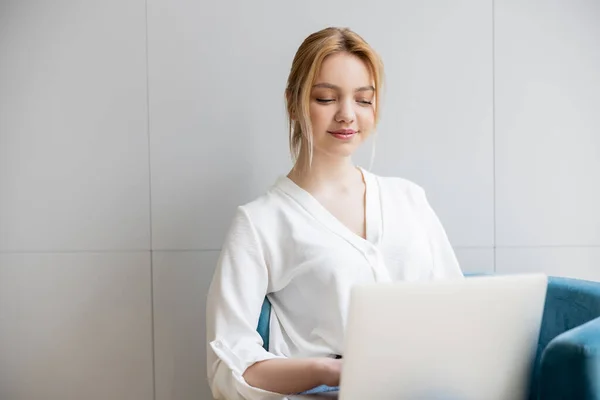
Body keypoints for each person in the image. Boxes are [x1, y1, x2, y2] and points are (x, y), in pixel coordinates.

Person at [205, 26, 464, 400]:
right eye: (326, 98)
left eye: (363, 99)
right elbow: (227, 362)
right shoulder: (260, 223)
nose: (347, 115)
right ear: (293, 104)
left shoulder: (409, 199)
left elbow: (459, 310)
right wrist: (326, 370)